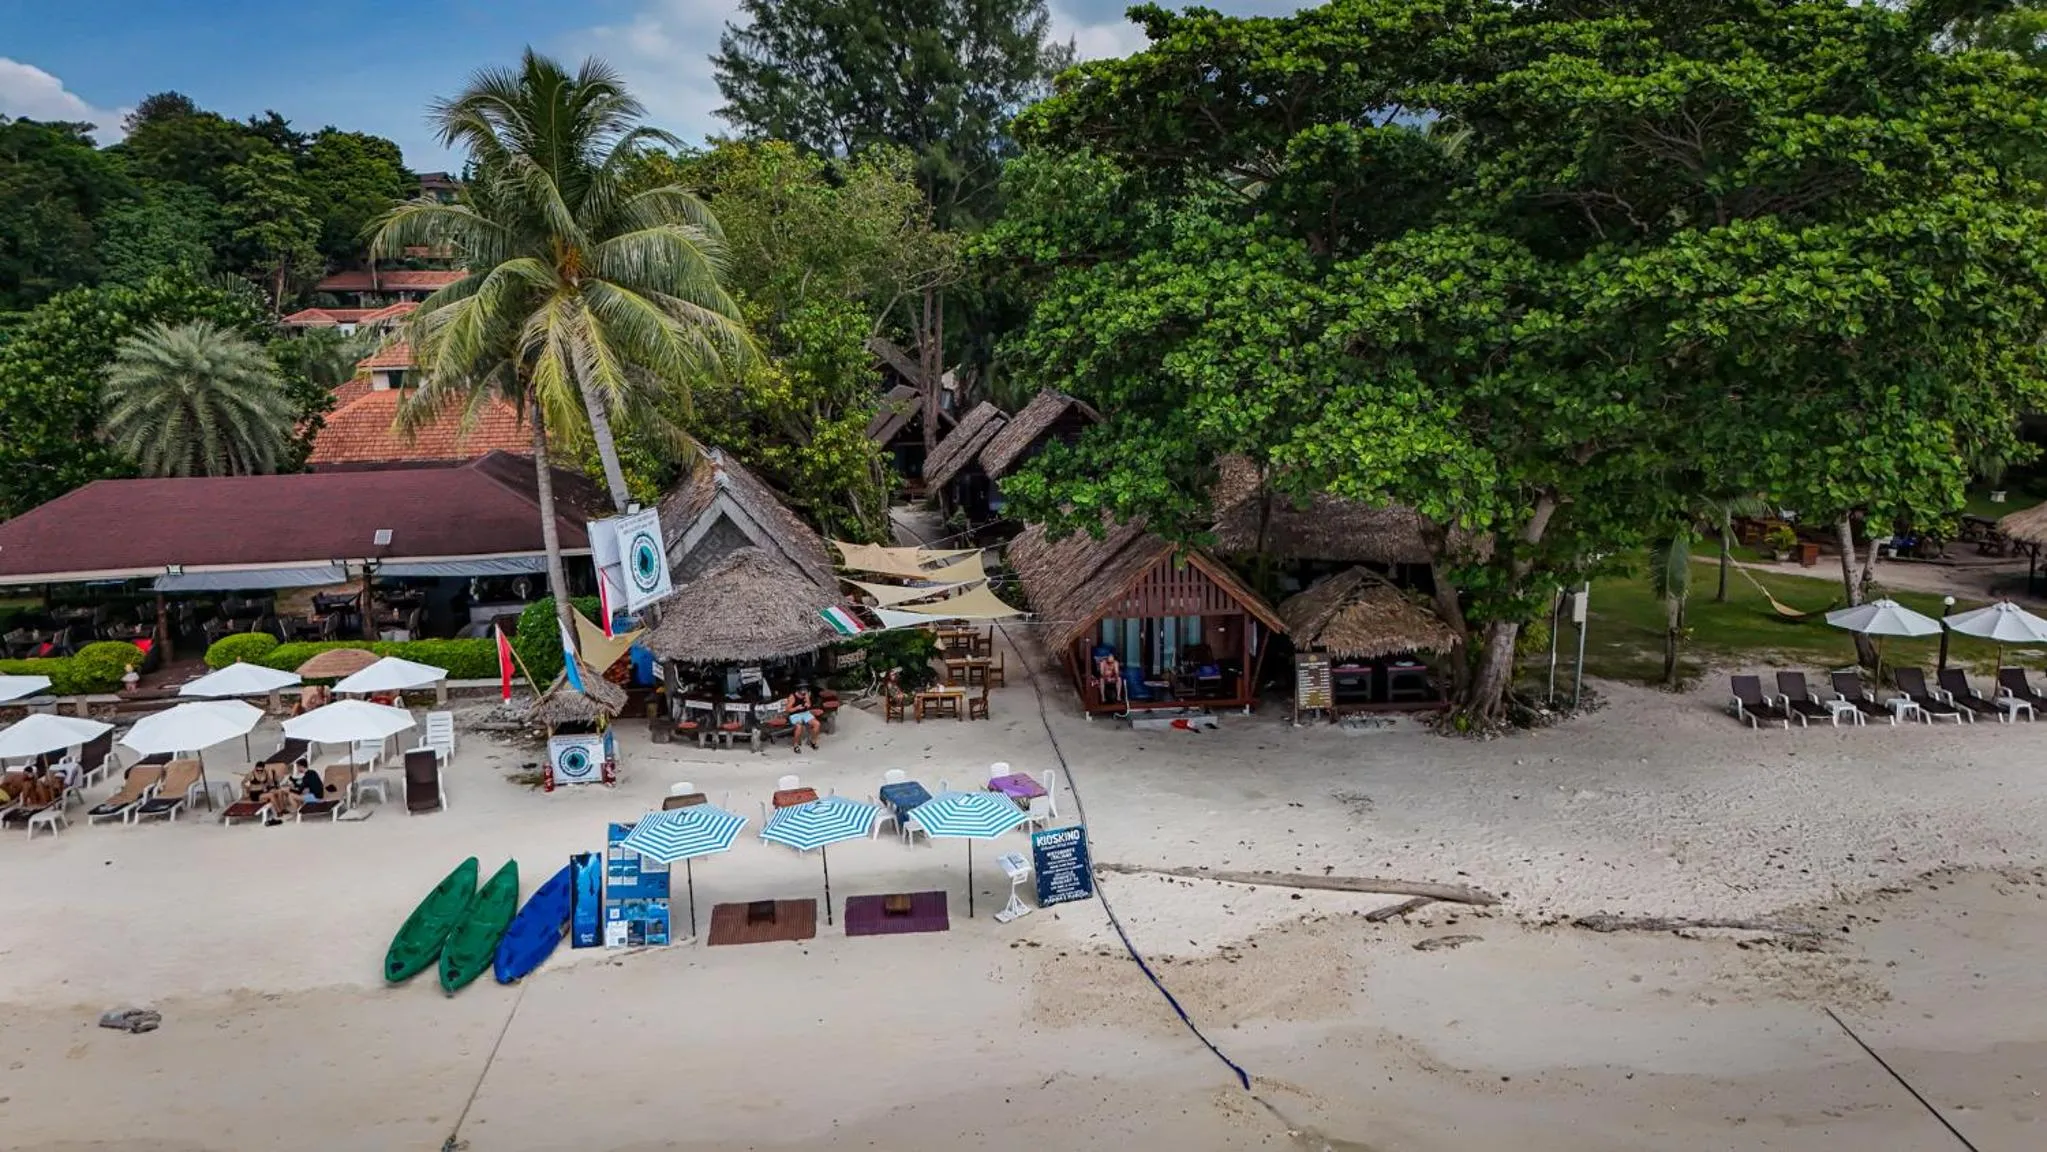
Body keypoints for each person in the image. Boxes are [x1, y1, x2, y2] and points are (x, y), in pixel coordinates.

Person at [780, 685, 821, 754]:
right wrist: (796, 708)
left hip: (805, 713)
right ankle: (795, 745)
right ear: (798, 691)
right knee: (799, 727)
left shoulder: (806, 694)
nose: (804, 693)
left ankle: (813, 742)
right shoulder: (792, 697)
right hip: (795, 714)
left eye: (805, 691)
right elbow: (788, 710)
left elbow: (809, 703)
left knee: (817, 724)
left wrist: (808, 704)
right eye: (802, 692)